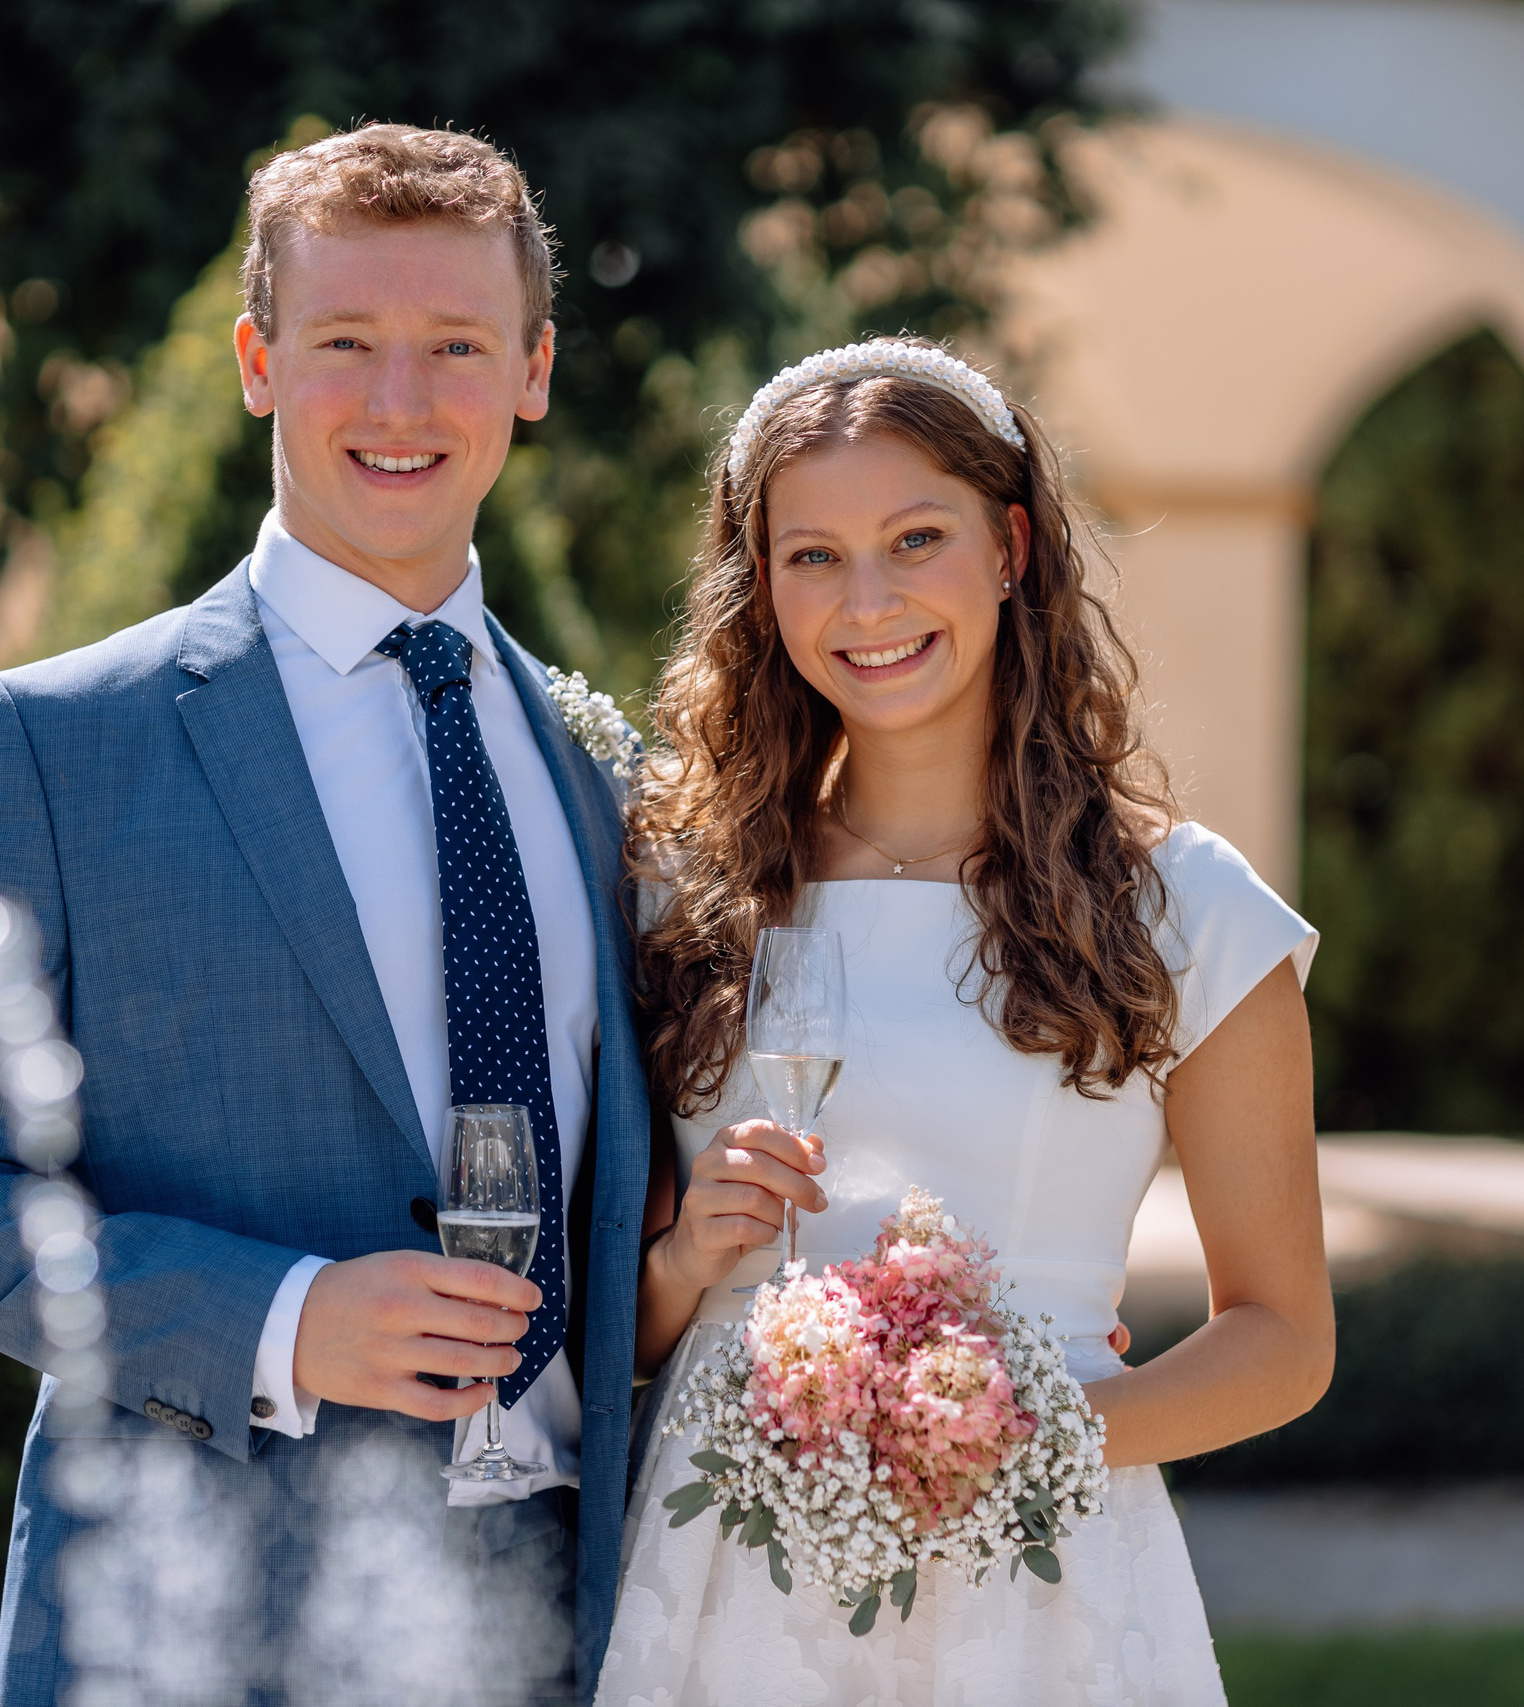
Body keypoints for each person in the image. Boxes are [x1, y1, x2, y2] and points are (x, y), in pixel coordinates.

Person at [0, 125, 649, 1705]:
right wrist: (282, 1321)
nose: (403, 402)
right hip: (201, 1621)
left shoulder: (600, 763)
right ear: (258, 360)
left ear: (535, 371)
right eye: (347, 342)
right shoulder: (63, 740)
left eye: (457, 347)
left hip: (571, 1618)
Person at [599, 339, 1336, 1704]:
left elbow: (1284, 1340)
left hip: (1038, 1581)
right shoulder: (681, 894)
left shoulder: (1188, 909)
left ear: (1008, 547)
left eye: (914, 539)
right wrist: (682, 1265)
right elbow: (615, 1327)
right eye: (811, 555)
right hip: (724, 1580)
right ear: (759, 587)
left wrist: (1029, 1436)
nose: (866, 601)